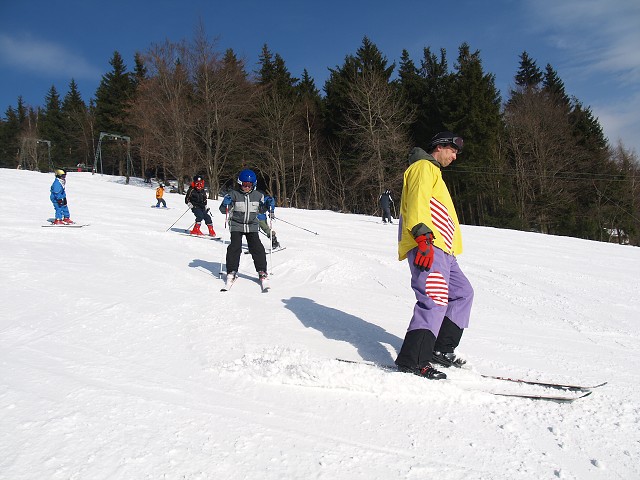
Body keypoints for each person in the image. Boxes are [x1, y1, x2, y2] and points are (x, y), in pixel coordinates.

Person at [394, 132, 474, 380]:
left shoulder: (435, 174)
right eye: (453, 151)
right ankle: (413, 360)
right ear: (439, 147)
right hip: (428, 245)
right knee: (435, 298)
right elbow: (416, 202)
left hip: (445, 251)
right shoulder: (423, 167)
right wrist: (423, 238)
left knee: (463, 293)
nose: (455, 156)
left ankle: (440, 348)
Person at [219, 169, 270, 283]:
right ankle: (231, 271)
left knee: (257, 248)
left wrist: (268, 205)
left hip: (251, 225)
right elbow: (223, 210)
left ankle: (262, 271)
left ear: (253, 185)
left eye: (249, 185)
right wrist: (225, 204)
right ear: (239, 183)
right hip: (237, 225)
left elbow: (261, 210)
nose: (246, 187)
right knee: (234, 247)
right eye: (244, 184)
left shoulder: (258, 196)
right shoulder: (233, 194)